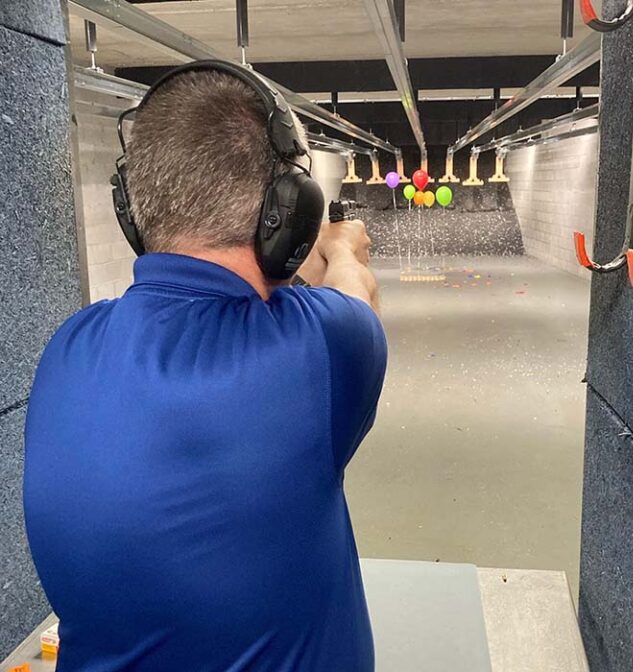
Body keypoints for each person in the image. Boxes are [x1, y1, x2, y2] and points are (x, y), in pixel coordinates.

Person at [23, 68, 387, 672]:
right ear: (289, 217)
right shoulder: (326, 346)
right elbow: (354, 301)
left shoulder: (68, 346)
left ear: (132, 212)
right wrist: (342, 247)